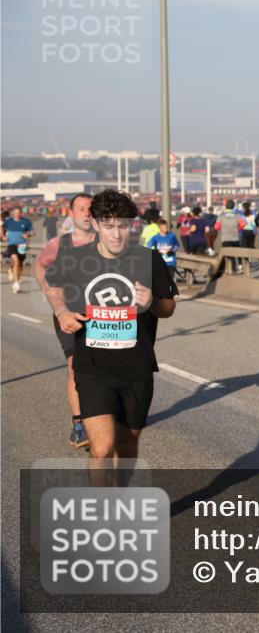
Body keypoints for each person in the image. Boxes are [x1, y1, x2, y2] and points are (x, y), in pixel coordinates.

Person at [44, 189, 178, 486]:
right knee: (102, 449)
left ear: (132, 225)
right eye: (109, 226)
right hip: (93, 368)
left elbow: (169, 307)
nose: (116, 234)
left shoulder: (149, 259)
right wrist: (62, 310)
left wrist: (152, 303)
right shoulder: (75, 259)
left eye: (123, 225)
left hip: (136, 368)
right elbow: (52, 285)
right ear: (95, 224)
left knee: (127, 447)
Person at [33, 193, 96, 449]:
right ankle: (79, 424)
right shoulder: (60, 244)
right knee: (75, 366)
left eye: (91, 209)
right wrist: (51, 296)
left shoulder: (110, 242)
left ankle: (103, 415)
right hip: (69, 314)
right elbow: (40, 266)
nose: (87, 213)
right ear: (71, 214)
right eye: (81, 209)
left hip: (101, 315)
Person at [3, 206, 33, 294]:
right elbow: (1, 228)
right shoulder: (8, 221)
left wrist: (28, 235)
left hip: (22, 245)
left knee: (20, 264)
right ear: (12, 213)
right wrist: (3, 237)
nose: (17, 214)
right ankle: (16, 283)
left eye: (18, 213)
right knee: (15, 262)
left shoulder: (26, 221)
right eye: (15, 213)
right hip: (11, 244)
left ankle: (17, 277)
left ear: (21, 213)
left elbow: (33, 232)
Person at [215, 199, 247, 272]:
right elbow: (243, 224)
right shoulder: (237, 215)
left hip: (225, 238)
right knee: (237, 252)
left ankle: (231, 268)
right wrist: (238, 228)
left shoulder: (221, 216)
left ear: (226, 206)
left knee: (228, 254)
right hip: (235, 237)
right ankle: (240, 266)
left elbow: (216, 227)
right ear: (233, 207)